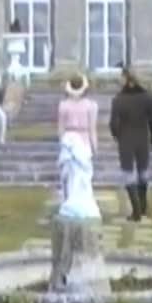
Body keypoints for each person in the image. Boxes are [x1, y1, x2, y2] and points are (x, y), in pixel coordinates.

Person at [109, 67, 152, 222]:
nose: (119, 81)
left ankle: (136, 210)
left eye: (121, 78)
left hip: (126, 139)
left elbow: (113, 124)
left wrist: (117, 136)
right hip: (142, 137)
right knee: (143, 172)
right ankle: (143, 206)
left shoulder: (118, 99)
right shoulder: (148, 97)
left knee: (128, 173)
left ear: (127, 80)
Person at [56, 73, 101, 219]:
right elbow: (92, 129)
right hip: (83, 141)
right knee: (81, 177)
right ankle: (77, 203)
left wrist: (62, 144)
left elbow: (61, 129)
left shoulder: (63, 105)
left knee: (70, 176)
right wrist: (95, 147)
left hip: (69, 140)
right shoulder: (91, 106)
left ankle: (70, 202)